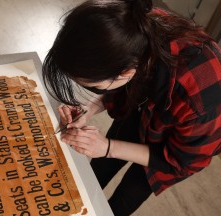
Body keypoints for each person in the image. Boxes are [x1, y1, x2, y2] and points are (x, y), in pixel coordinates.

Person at [42, 0, 221, 215]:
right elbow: (122, 86)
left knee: (125, 198)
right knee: (98, 169)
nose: (96, 92)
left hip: (181, 143)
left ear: (125, 72)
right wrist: (87, 109)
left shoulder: (203, 98)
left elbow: (180, 161)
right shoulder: (132, 24)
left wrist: (108, 147)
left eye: (95, 87)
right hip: (143, 106)